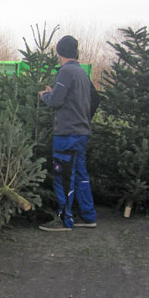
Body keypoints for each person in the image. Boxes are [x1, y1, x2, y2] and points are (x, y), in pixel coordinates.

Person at [38, 35, 98, 232]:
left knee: (62, 175)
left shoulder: (65, 72)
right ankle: (88, 216)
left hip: (67, 134)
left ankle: (64, 219)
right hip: (81, 132)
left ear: (60, 53)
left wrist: (45, 95)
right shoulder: (81, 72)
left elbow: (55, 101)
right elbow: (93, 98)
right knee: (80, 174)